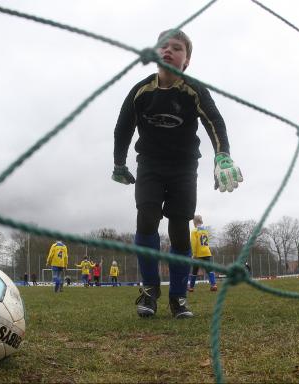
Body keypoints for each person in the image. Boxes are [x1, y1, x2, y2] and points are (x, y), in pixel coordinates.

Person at [112, 29, 243, 319]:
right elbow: (123, 128)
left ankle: (178, 297)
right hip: (150, 164)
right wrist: (119, 163)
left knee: (180, 228)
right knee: (146, 216)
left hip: (184, 167)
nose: (169, 50)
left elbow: (214, 121)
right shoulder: (140, 91)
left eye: (177, 48)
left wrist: (222, 155)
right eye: (164, 46)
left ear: (187, 61)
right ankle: (149, 290)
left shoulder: (194, 90)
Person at [188, 215, 217, 292]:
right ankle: (213, 285)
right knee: (209, 270)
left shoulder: (194, 231)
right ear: (201, 221)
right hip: (207, 252)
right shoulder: (205, 231)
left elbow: (194, 243)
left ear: (194, 222)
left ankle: (191, 287)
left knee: (194, 270)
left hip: (198, 253)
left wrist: (194, 254)